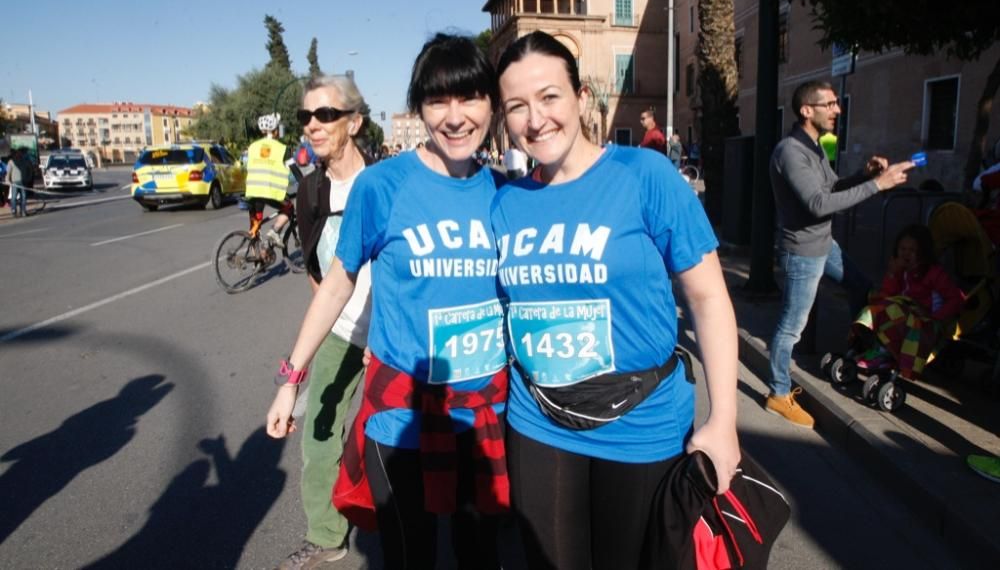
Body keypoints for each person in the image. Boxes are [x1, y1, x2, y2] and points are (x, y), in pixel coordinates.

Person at [492, 30, 740, 569]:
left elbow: (709, 299)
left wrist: (723, 421)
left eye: (550, 97)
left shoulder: (644, 175)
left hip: (642, 423)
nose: (535, 119)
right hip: (537, 420)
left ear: (581, 99)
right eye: (517, 106)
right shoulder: (506, 202)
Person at [266, 33, 508, 569]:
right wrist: (292, 379)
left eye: (469, 97)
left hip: (483, 413)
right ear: (418, 107)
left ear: (491, 103)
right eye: (437, 100)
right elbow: (337, 283)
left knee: (479, 555)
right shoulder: (383, 185)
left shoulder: (507, 191)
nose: (455, 116)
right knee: (408, 555)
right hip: (401, 414)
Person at [767, 80, 914, 428]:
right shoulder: (790, 152)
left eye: (836, 103)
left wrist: (862, 175)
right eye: (830, 104)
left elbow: (830, 188)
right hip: (802, 253)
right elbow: (818, 204)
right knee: (791, 327)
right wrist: (878, 184)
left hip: (823, 245)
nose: (837, 110)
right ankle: (778, 392)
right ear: (807, 110)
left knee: (861, 286)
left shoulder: (814, 147)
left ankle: (859, 352)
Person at [275, 75, 372, 569]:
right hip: (341, 329)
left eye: (326, 115)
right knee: (318, 433)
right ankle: (327, 536)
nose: (313, 125)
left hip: (391, 335)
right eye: (305, 117)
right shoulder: (310, 191)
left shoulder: (384, 181)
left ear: (354, 122)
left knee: (395, 442)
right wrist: (293, 377)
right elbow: (318, 272)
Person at [850, 224, 964, 379]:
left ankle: (884, 353)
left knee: (892, 309)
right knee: (878, 302)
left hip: (927, 321)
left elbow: (955, 299)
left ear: (923, 253)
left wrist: (936, 317)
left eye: (912, 250)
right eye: (902, 249)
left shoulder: (934, 273)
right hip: (906, 315)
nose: (906, 254)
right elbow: (888, 294)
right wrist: (892, 274)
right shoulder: (902, 270)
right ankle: (869, 343)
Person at [244, 114, 292, 246]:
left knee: (255, 227)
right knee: (289, 208)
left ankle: (257, 261)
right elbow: (293, 169)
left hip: (252, 191)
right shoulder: (282, 148)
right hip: (270, 192)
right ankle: (274, 231)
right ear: (276, 131)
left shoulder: (252, 147)